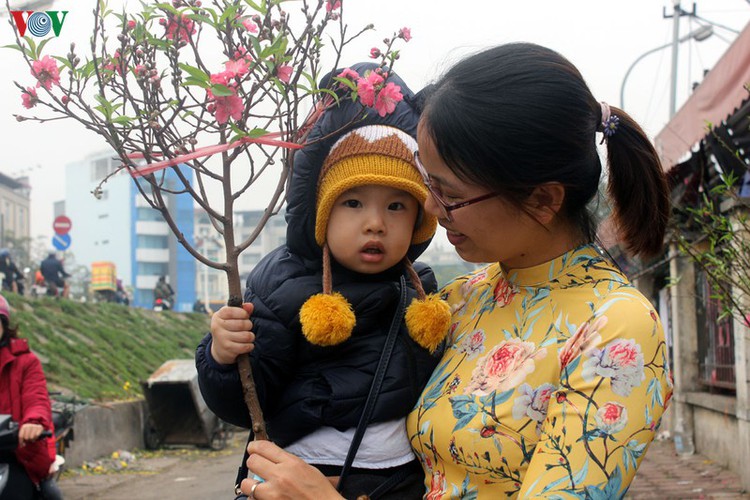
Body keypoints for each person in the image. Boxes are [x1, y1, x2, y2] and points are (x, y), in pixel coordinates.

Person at [231, 43, 674, 499]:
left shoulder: (617, 329)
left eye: (449, 193)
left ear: (543, 199)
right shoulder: (459, 301)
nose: (428, 207)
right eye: (428, 182)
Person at [196, 63, 453, 499]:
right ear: (321, 210)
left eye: (396, 206)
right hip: (300, 474)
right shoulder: (283, 282)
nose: (375, 224)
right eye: (352, 202)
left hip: (398, 480)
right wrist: (222, 356)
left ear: (420, 219)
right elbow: (245, 400)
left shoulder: (422, 292)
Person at [0, 293, 58, 500]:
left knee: (49, 494)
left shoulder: (26, 361)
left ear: (4, 326)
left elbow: (37, 397)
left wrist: (33, 422)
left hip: (17, 453)